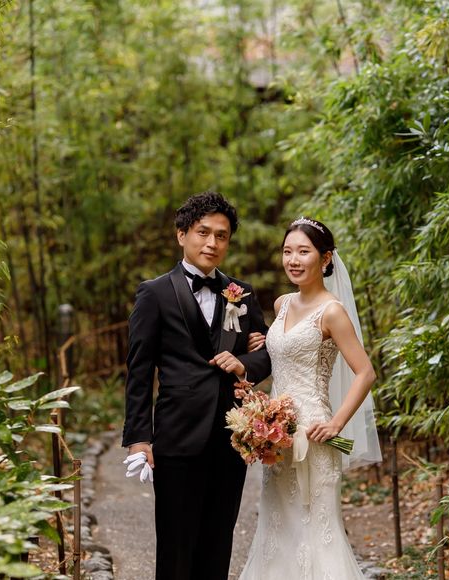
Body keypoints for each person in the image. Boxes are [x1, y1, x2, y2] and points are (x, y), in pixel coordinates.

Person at [122, 191, 272, 580]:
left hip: (231, 437)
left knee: (218, 544)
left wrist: (244, 363)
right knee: (176, 546)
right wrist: (139, 438)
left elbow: (267, 353)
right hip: (177, 437)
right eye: (203, 232)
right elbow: (139, 370)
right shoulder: (154, 293)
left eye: (221, 236)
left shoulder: (242, 293)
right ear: (182, 235)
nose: (212, 243)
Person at [240, 217, 382, 579]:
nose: (293, 260)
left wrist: (335, 423)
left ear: (325, 258)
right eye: (288, 251)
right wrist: (260, 352)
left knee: (317, 531)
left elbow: (365, 372)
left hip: (314, 434)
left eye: (304, 252)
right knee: (277, 528)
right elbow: (285, 357)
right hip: (276, 436)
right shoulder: (282, 304)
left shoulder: (332, 311)